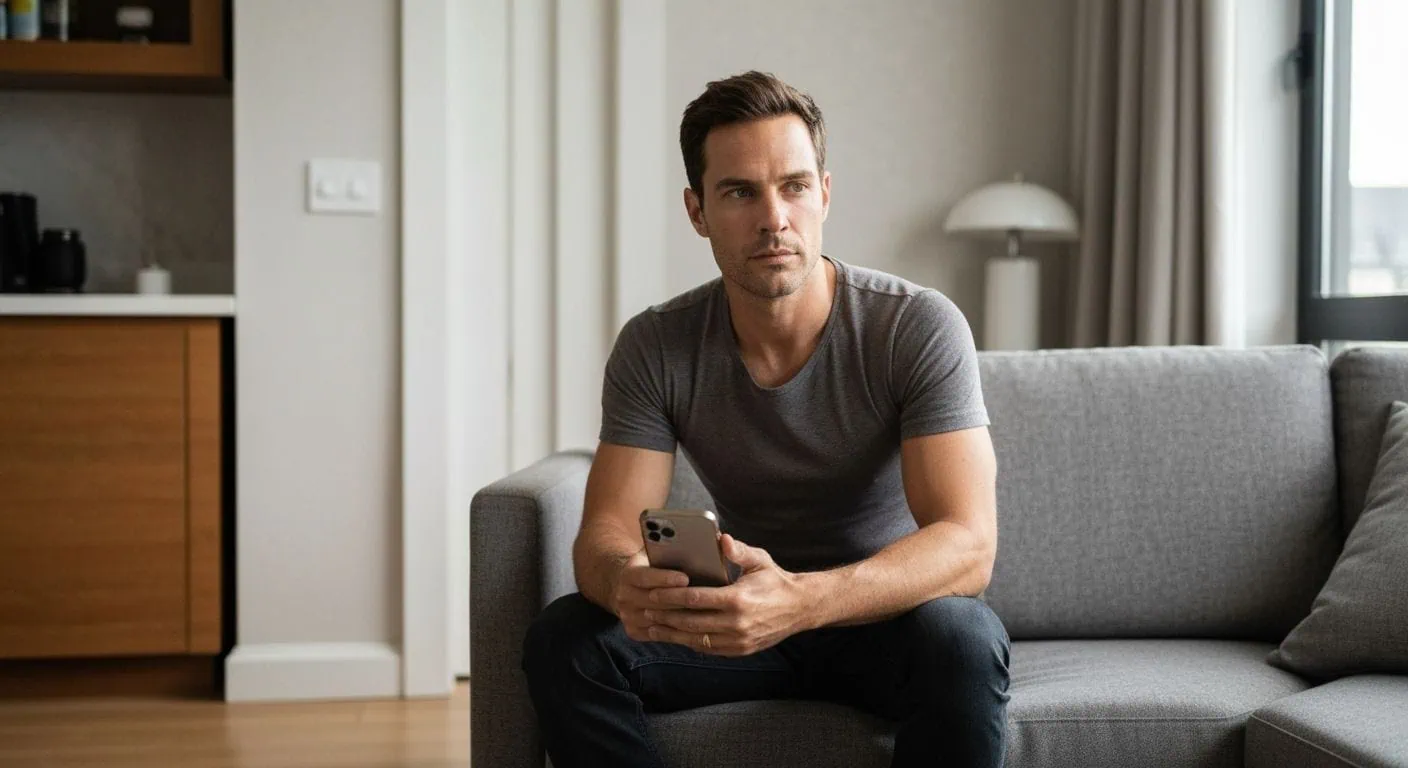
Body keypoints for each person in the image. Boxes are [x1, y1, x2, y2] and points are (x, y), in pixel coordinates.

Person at [521, 70, 1010, 768]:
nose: (773, 217)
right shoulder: (656, 345)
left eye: (795, 186)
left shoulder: (914, 326)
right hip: (739, 621)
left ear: (825, 194)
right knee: (565, 637)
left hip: (884, 620)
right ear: (697, 212)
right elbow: (605, 529)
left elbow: (968, 544)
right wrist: (626, 580)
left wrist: (804, 600)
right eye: (739, 192)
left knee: (963, 635)